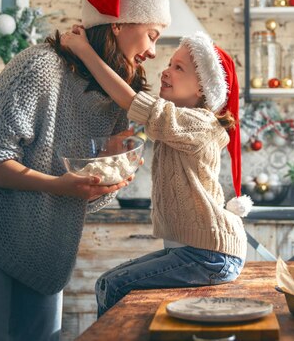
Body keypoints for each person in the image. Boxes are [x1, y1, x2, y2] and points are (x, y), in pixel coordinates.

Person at [0, 0, 171, 340]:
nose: (153, 52)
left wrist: (105, 163)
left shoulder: (117, 94)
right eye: (153, 35)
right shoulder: (42, 67)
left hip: (40, 244)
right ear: (118, 25)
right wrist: (59, 186)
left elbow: (81, 190)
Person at [61, 29, 253, 317]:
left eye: (179, 68)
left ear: (203, 88)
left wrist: (84, 51)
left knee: (113, 285)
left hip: (210, 255)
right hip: (194, 252)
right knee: (106, 283)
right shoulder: (178, 123)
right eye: (169, 64)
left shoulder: (200, 123)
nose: (165, 71)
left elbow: (132, 102)